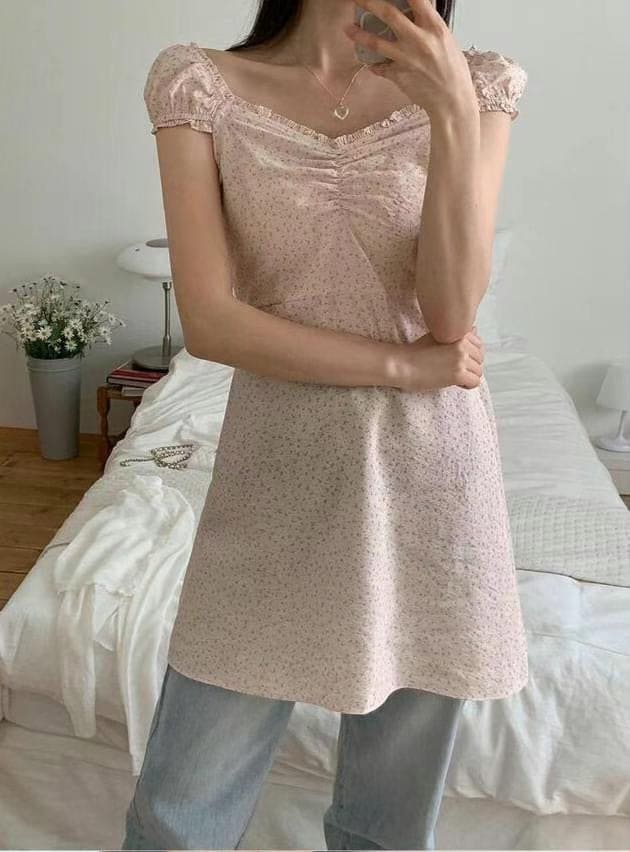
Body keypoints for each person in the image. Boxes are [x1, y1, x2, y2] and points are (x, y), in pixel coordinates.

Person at [122, 0, 530, 848]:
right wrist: (402, 367)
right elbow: (211, 322)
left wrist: (452, 111)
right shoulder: (199, 84)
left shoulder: (480, 86)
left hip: (433, 481)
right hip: (276, 474)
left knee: (385, 828)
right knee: (176, 819)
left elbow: (450, 312)